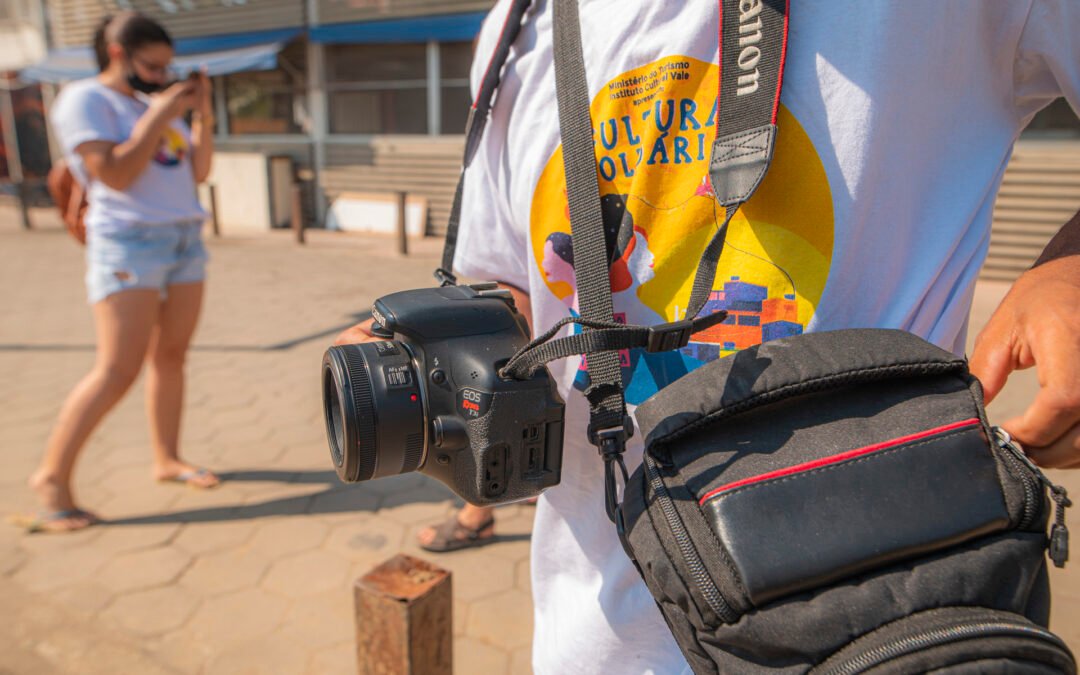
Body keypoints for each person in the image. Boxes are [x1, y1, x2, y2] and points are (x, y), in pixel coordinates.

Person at [337, 0, 1080, 671]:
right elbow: (512, 288)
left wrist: (1068, 272)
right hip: (595, 638)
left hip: (884, 628)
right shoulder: (518, 24)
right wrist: (432, 353)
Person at [23, 12, 219, 534]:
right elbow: (115, 174)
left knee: (172, 358)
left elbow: (197, 172)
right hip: (130, 243)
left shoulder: (152, 102)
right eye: (152, 65)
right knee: (117, 370)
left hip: (184, 239)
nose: (161, 75)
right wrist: (158, 113)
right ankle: (52, 479)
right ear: (117, 52)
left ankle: (167, 459)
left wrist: (201, 114)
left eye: (166, 67)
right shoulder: (85, 99)